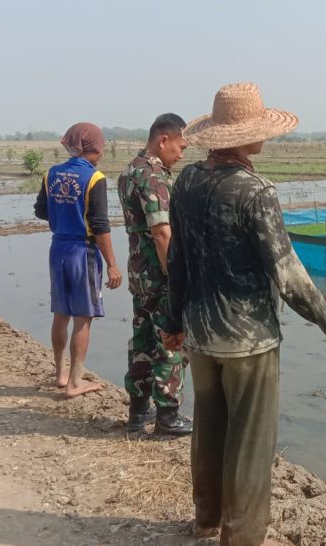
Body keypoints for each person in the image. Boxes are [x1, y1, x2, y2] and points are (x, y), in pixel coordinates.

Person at [163, 83, 326, 546]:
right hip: (247, 340)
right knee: (250, 443)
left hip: (200, 335)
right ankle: (243, 538)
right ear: (247, 135)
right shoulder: (255, 191)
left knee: (209, 430)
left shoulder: (186, 183)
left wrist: (172, 322)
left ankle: (206, 520)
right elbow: (287, 273)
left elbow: (178, 261)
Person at [33, 122, 123, 398]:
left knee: (61, 314)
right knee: (83, 317)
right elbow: (100, 226)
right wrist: (112, 264)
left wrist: (64, 216)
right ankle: (74, 382)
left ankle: (60, 374)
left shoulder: (52, 173)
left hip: (58, 248)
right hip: (83, 252)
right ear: (96, 147)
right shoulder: (95, 178)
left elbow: (41, 211)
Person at [117, 113, 193, 435]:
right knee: (170, 341)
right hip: (159, 273)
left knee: (143, 340)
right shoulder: (153, 175)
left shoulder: (130, 170)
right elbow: (162, 232)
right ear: (163, 140)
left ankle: (138, 411)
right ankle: (167, 415)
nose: (182, 154)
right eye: (180, 146)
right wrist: (177, 276)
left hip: (140, 273)